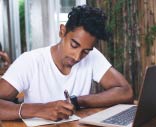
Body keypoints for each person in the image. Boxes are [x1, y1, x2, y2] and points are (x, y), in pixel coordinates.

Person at [0, 5, 133, 121]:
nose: (77, 57)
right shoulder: (30, 61)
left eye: (85, 51)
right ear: (62, 31)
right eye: (74, 45)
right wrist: (39, 109)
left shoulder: (92, 57)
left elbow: (126, 92)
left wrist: (77, 101)